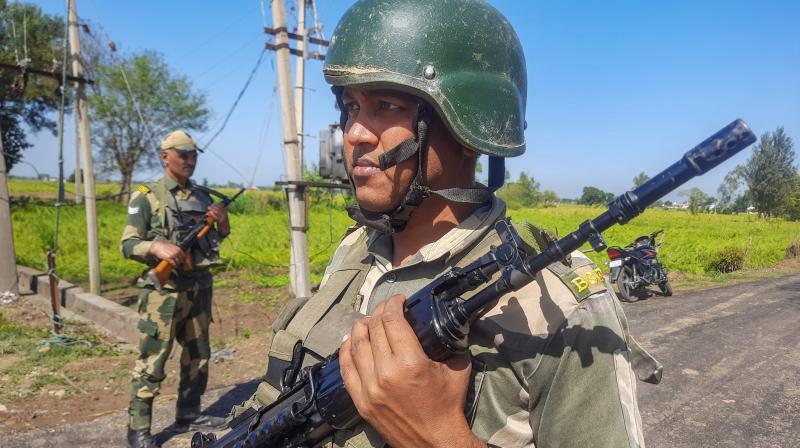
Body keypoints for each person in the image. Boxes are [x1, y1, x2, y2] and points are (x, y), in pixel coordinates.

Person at [232, 0, 660, 446]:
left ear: (467, 127)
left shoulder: (557, 301)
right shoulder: (357, 250)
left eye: (386, 105)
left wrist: (436, 434)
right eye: (350, 106)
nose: (355, 132)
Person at [121, 130, 230, 448]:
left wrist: (221, 222)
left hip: (199, 287)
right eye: (182, 154)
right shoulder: (147, 195)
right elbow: (127, 243)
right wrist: (157, 247)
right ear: (164, 156)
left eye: (193, 154)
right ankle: (138, 429)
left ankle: (189, 414)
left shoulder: (203, 195)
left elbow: (218, 236)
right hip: (163, 293)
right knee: (152, 360)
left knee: (198, 356)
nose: (189, 160)